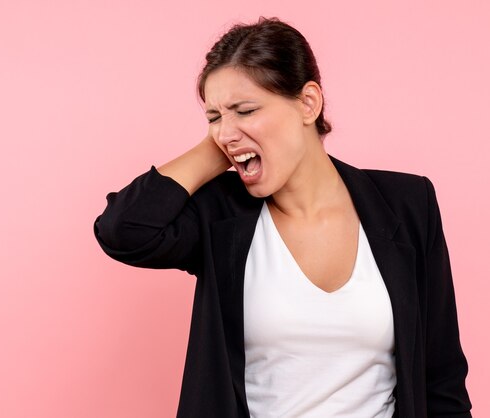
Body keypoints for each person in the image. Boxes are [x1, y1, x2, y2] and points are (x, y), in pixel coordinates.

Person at [93, 16, 472, 418]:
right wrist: (224, 141)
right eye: (213, 117)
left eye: (246, 108)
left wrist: (233, 127)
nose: (225, 131)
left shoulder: (407, 204)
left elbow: (442, 378)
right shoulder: (220, 214)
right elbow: (124, 230)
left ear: (309, 103)